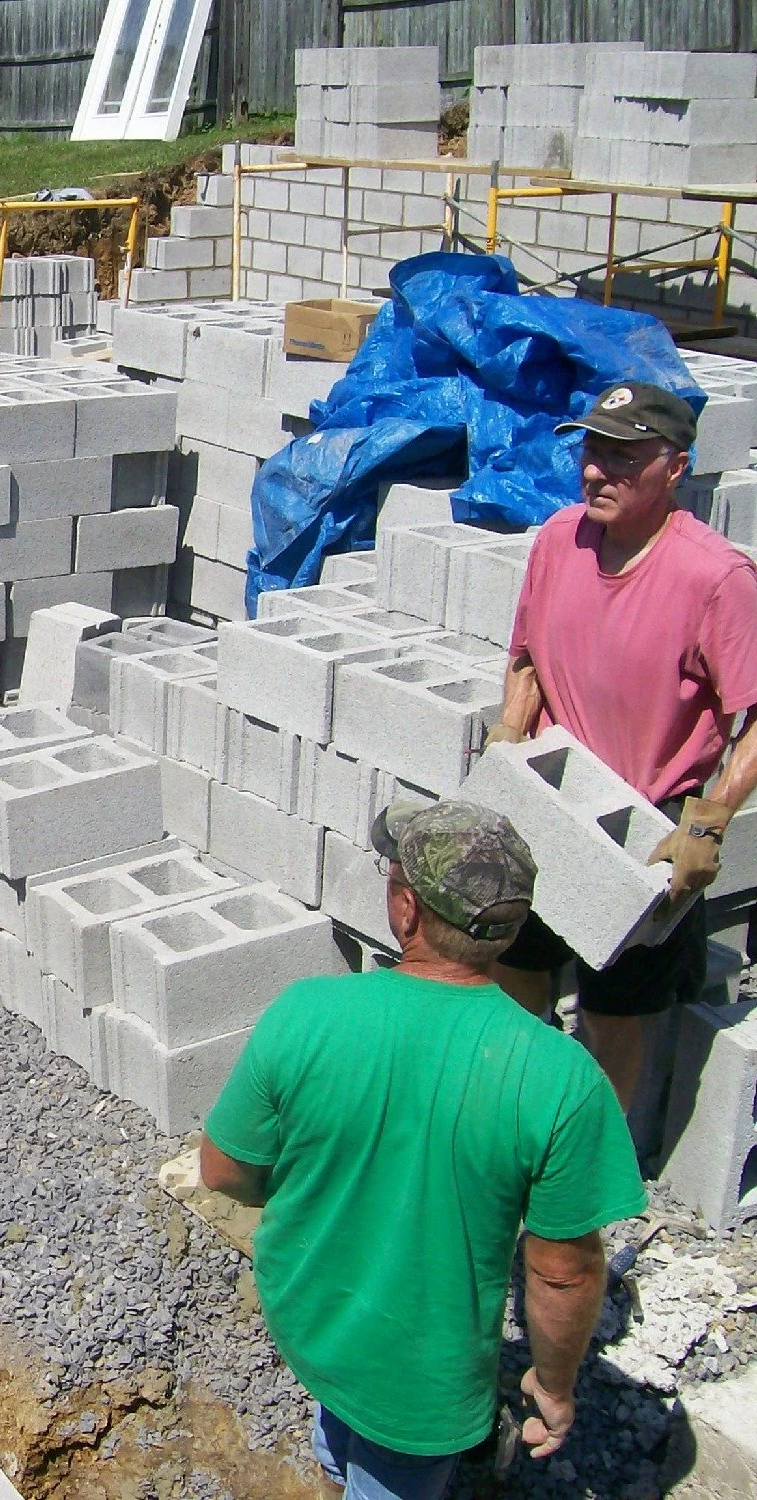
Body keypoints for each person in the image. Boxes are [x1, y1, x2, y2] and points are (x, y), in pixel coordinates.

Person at [202, 800, 646, 1500]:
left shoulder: (306, 1012)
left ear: (406, 909)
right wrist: (553, 1386)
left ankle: (337, 1456)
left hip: (313, 1316)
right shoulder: (562, 1079)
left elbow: (222, 1170)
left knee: (348, 1433)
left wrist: (316, 1181)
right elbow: (563, 1275)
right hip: (420, 1378)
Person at [491, 381, 757, 1107]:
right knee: (520, 959)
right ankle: (518, 1108)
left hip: (647, 819)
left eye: (624, 459)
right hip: (552, 794)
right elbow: (528, 657)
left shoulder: (715, 578)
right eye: (592, 452)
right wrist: (510, 738)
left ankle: (597, 1155)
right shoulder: (559, 539)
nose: (597, 472)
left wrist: (707, 821)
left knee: (618, 1005)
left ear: (675, 469)